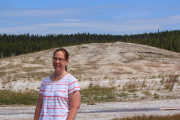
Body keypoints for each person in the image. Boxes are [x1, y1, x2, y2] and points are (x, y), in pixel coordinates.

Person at [34, 48, 81, 120]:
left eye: (60, 59)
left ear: (66, 62)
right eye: (55, 59)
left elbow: (74, 108)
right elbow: (39, 106)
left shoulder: (71, 81)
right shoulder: (45, 81)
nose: (57, 61)